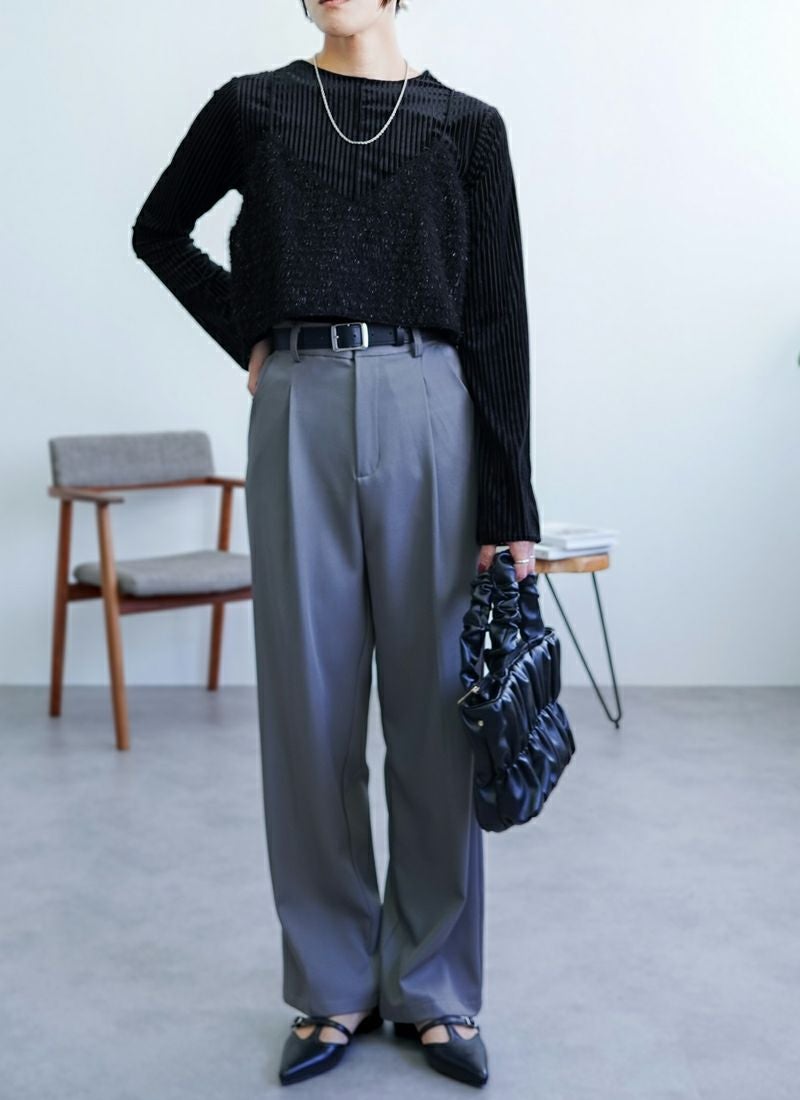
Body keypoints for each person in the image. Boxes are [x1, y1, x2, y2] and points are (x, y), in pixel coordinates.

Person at [131, 0, 541, 1088]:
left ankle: (435, 987)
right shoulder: (254, 107)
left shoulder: (466, 127)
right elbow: (156, 228)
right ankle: (330, 986)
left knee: (435, 711)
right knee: (307, 709)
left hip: (431, 405)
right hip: (299, 404)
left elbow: (497, 318)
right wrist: (248, 333)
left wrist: (509, 509)